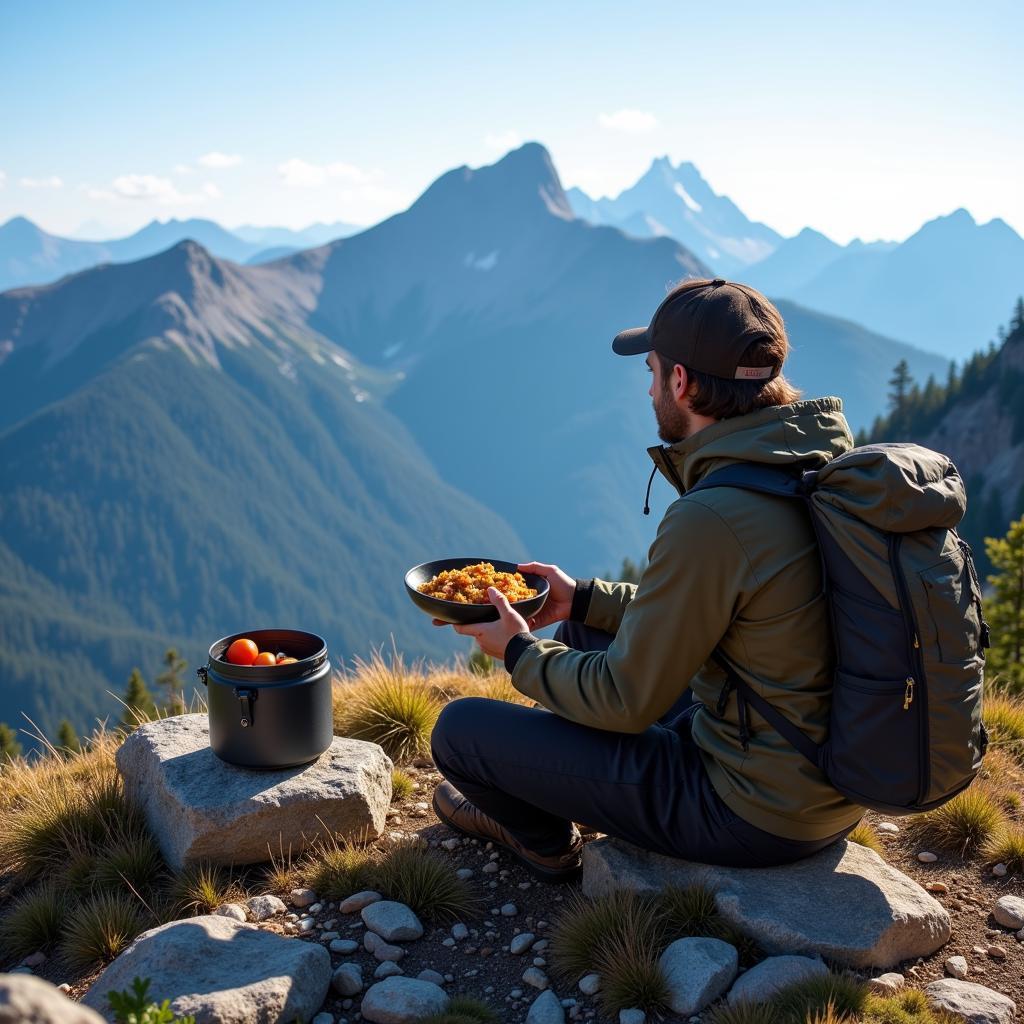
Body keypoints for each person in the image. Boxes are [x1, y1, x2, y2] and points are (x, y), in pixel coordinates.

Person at [429, 277, 865, 882]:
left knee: (460, 733)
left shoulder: (716, 516)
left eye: (652, 370)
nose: (651, 386)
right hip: (823, 777)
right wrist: (581, 599)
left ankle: (544, 840)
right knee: (584, 629)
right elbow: (724, 611)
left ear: (681, 382)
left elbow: (624, 701)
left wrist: (517, 651)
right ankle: (571, 774)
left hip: (752, 811)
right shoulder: (811, 464)